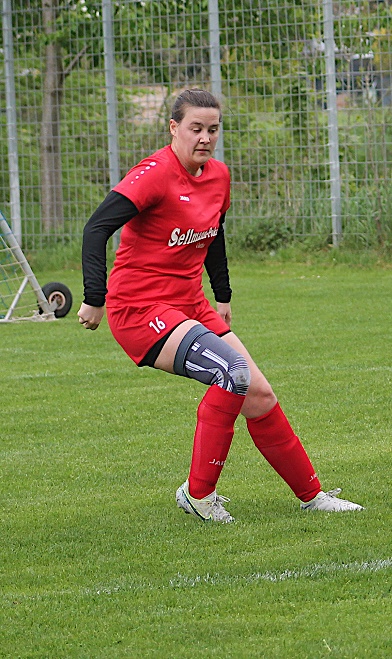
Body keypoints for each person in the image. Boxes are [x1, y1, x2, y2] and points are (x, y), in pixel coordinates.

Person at [78, 88, 362, 522]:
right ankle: (198, 495)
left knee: (260, 393)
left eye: (213, 129)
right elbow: (96, 229)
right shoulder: (153, 173)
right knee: (231, 373)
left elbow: (214, 234)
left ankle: (313, 496)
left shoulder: (218, 176)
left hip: (191, 304)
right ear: (174, 128)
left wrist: (223, 295)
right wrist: (94, 299)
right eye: (195, 128)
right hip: (140, 309)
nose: (205, 137)